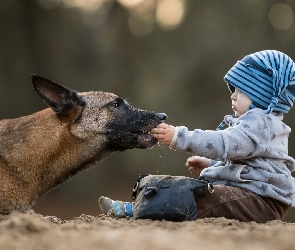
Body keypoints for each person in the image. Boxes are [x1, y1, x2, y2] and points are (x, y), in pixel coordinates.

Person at [99, 50, 295, 223]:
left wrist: (179, 136)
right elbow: (246, 163)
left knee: (196, 194)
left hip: (260, 202)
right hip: (251, 196)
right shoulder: (258, 124)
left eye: (241, 91)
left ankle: (137, 210)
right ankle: (142, 204)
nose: (233, 96)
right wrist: (210, 165)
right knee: (193, 188)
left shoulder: (260, 124)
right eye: (233, 90)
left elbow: (224, 143)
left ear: (263, 95)